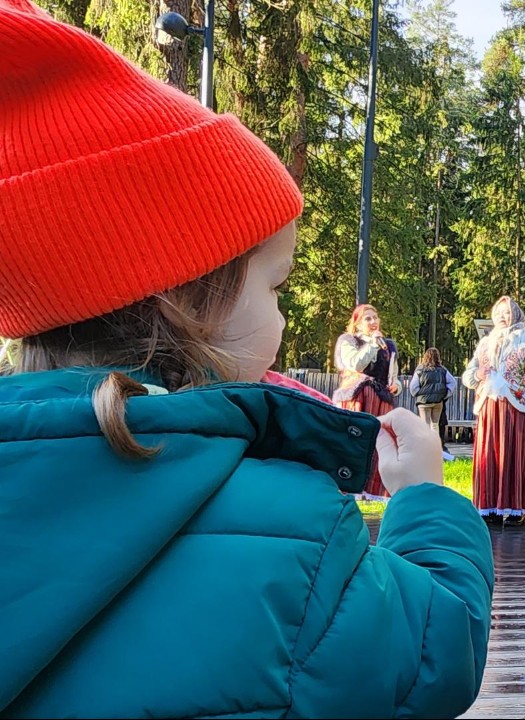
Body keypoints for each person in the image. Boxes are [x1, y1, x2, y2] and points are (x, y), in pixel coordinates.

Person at [0, 4, 494, 718]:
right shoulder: (302, 536)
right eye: (275, 286)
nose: (283, 315)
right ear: (189, 302)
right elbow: (433, 651)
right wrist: (424, 498)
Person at [462, 296, 525, 526]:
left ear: (516, 314)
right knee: (490, 456)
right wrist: (478, 374)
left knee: (514, 456)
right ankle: (490, 506)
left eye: (507, 312)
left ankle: (516, 508)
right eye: (499, 312)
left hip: (518, 408)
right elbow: (468, 376)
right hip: (490, 408)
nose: (502, 316)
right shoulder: (486, 342)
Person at [333, 303, 401, 501]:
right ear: (357, 324)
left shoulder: (388, 345)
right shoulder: (348, 340)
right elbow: (356, 364)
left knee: (381, 445)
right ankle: (349, 488)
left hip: (380, 399)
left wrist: (396, 385)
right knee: (355, 443)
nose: (373, 321)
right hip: (356, 399)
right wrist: (372, 344)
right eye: (367, 318)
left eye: (375, 317)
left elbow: (393, 374)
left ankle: (374, 490)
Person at [409, 347, 457, 437]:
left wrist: (419, 394)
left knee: (425, 425)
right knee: (435, 425)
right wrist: (446, 394)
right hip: (438, 401)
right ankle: (435, 443)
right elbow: (453, 382)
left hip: (424, 402)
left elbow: (413, 387)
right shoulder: (443, 370)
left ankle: (426, 444)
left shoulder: (420, 370)